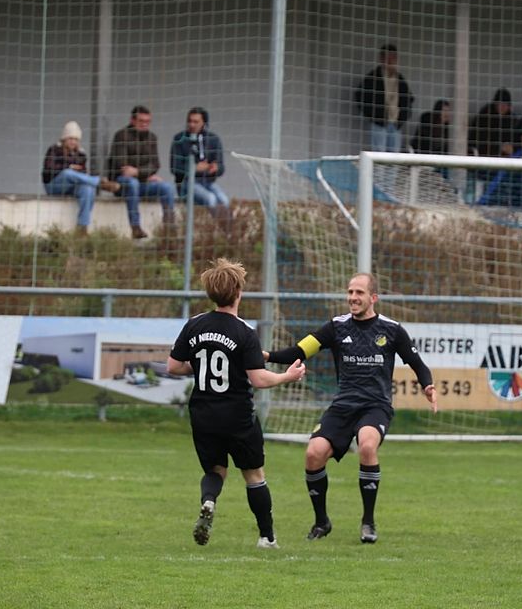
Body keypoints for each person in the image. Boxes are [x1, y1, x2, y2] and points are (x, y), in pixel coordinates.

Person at [263, 272, 436, 544]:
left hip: (375, 406)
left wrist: (428, 386)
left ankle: (368, 521)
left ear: (373, 298)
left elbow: (417, 364)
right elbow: (300, 350)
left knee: (367, 446)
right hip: (343, 406)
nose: (353, 298)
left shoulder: (392, 330)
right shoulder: (335, 327)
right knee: (313, 454)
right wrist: (268, 356)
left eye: (359, 293)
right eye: (350, 292)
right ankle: (322, 521)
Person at [167, 258, 307, 549]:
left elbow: (173, 367)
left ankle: (208, 501)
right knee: (254, 475)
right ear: (239, 293)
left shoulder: (193, 325)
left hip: (203, 414)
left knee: (215, 470)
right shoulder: (244, 331)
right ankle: (267, 537)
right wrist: (287, 377)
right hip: (237, 415)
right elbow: (258, 379)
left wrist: (199, 366)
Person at [107, 105, 177, 239]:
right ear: (133, 120)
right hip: (121, 183)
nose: (145, 124)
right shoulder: (121, 135)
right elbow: (122, 166)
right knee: (132, 183)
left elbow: (155, 164)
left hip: (142, 181)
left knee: (166, 187)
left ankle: (169, 228)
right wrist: (145, 173)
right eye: (141, 121)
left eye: (147, 122)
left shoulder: (152, 138)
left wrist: (138, 172)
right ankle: (135, 227)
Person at [41, 121, 120, 236]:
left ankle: (82, 227)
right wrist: (69, 166)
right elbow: (49, 169)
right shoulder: (54, 150)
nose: (73, 142)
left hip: (71, 187)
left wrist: (77, 171)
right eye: (70, 138)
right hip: (54, 186)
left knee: (88, 188)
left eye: (76, 139)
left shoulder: (81, 154)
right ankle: (99, 182)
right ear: (64, 139)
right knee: (68, 173)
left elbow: (83, 175)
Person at [170, 107, 231, 228]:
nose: (192, 124)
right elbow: (174, 167)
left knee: (224, 199)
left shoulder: (213, 139)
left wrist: (215, 168)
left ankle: (229, 232)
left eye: (196, 122)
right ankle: (224, 231)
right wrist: (194, 168)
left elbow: (221, 167)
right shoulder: (180, 139)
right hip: (186, 183)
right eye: (190, 121)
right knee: (211, 198)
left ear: (204, 123)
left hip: (207, 181)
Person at [356, 44, 414, 153]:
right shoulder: (373, 78)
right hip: (379, 123)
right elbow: (360, 96)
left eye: (393, 58)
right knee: (379, 155)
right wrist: (373, 116)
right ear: (382, 59)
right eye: (388, 58)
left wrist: (403, 117)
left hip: (396, 123)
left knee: (394, 157)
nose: (391, 61)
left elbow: (408, 98)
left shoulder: (400, 79)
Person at [469, 88, 517, 159]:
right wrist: (499, 147)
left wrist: (511, 148)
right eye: (500, 104)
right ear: (495, 104)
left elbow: (516, 140)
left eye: (505, 104)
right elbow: (478, 139)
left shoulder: (512, 119)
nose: (502, 107)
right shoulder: (485, 115)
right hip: (483, 154)